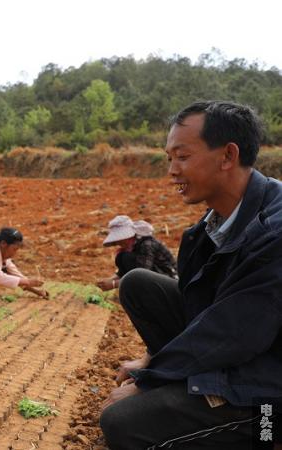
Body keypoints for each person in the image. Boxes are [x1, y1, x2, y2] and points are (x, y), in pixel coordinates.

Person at [100, 101, 282, 449]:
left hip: (271, 378)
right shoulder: (206, 229)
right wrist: (152, 362)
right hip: (245, 346)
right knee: (139, 283)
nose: (171, 170)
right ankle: (191, 384)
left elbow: (234, 332)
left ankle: (269, 433)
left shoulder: (275, 232)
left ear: (228, 156)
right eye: (169, 158)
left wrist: (148, 381)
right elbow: (200, 309)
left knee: (122, 424)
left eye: (182, 157)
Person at [96, 215, 177, 291]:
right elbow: (123, 272)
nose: (118, 242)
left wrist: (114, 284)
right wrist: (109, 280)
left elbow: (143, 276)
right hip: (155, 279)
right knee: (122, 257)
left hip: (170, 281)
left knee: (126, 258)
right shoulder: (131, 248)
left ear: (129, 236)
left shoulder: (147, 244)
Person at [0, 227, 47, 298]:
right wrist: (28, 281)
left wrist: (37, 291)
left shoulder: (1, 253)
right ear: (3, 244)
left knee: (3, 268)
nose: (15, 253)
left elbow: (16, 274)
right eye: (14, 249)